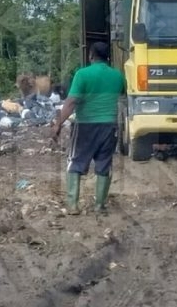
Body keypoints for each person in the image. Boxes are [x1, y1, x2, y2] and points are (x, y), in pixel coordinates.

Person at [51, 42, 125, 215]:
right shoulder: (118, 76)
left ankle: (73, 205)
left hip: (86, 125)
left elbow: (71, 102)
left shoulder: (82, 74)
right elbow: (122, 96)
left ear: (91, 55)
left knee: (75, 162)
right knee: (104, 164)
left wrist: (58, 124)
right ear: (108, 57)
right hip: (110, 126)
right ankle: (99, 206)